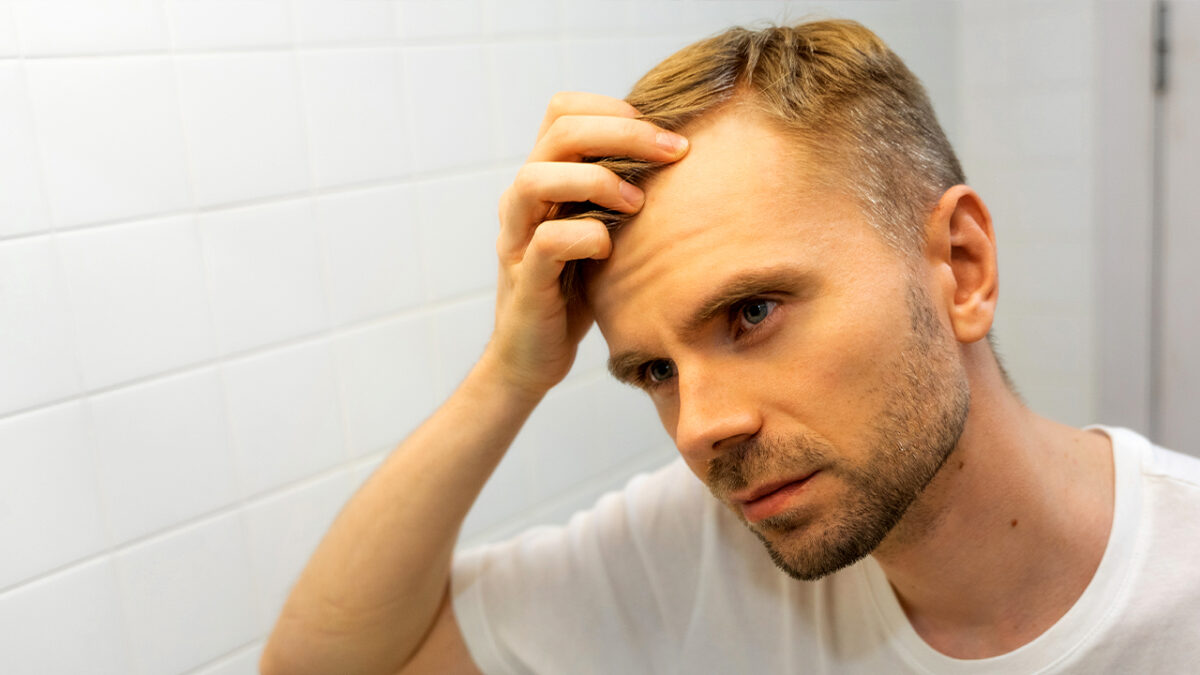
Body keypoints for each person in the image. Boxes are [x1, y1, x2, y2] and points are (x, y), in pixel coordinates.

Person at [261, 20, 1200, 675]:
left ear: (960, 266)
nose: (701, 430)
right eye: (655, 372)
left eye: (751, 312)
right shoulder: (705, 548)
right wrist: (508, 375)